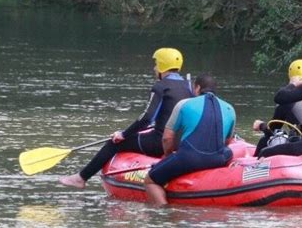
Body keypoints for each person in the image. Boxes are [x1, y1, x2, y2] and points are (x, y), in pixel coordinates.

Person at [59, 48, 194, 189]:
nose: (154, 68)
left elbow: (147, 118)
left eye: (156, 64)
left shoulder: (160, 86)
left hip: (160, 143)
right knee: (141, 134)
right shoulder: (189, 86)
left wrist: (123, 135)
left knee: (114, 143)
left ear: (162, 65)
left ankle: (81, 178)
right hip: (183, 143)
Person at [144, 75, 236, 205]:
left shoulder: (184, 104)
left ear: (197, 88)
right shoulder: (230, 109)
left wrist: (168, 156)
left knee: (150, 180)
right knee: (229, 152)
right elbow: (227, 141)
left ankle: (162, 212)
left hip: (189, 158)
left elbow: (167, 138)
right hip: (217, 159)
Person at [252, 59, 302, 156]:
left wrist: (261, 125)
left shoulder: (288, 98)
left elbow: (271, 131)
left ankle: (253, 167)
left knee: (264, 141)